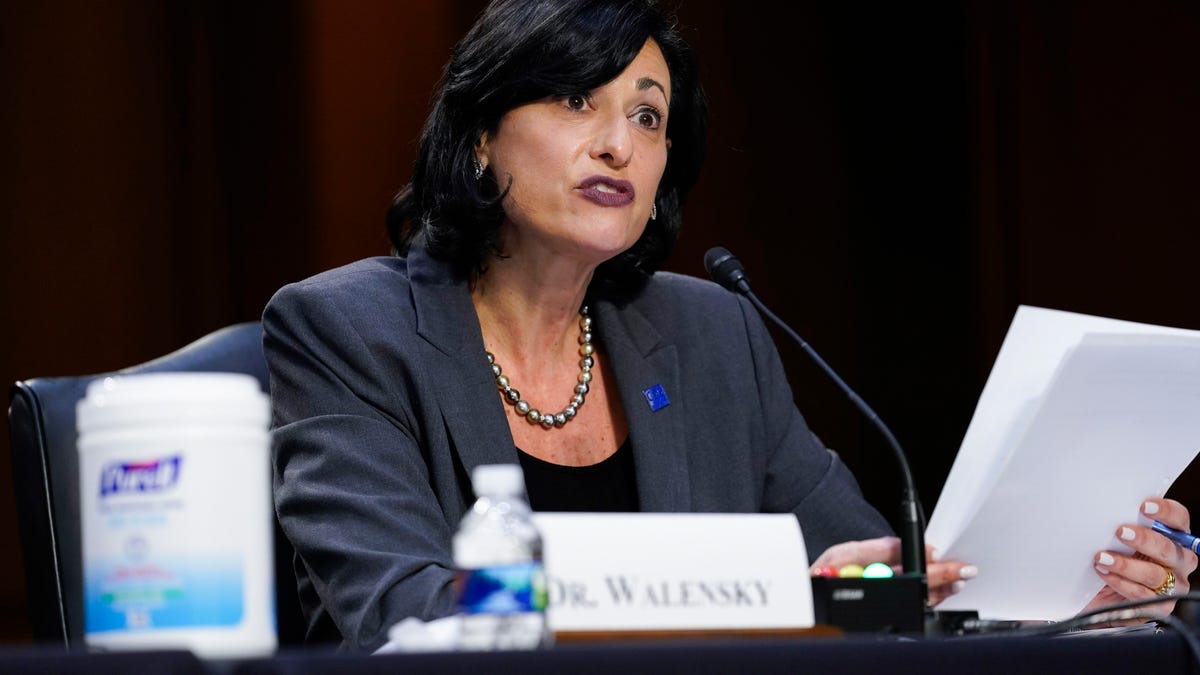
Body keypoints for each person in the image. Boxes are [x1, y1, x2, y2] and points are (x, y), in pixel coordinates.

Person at [262, 0, 1194, 651]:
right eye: (576, 99)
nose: (617, 142)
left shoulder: (710, 333)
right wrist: (757, 594)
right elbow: (403, 611)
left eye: (648, 114)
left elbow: (870, 591)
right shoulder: (344, 331)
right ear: (478, 132)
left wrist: (1080, 592)